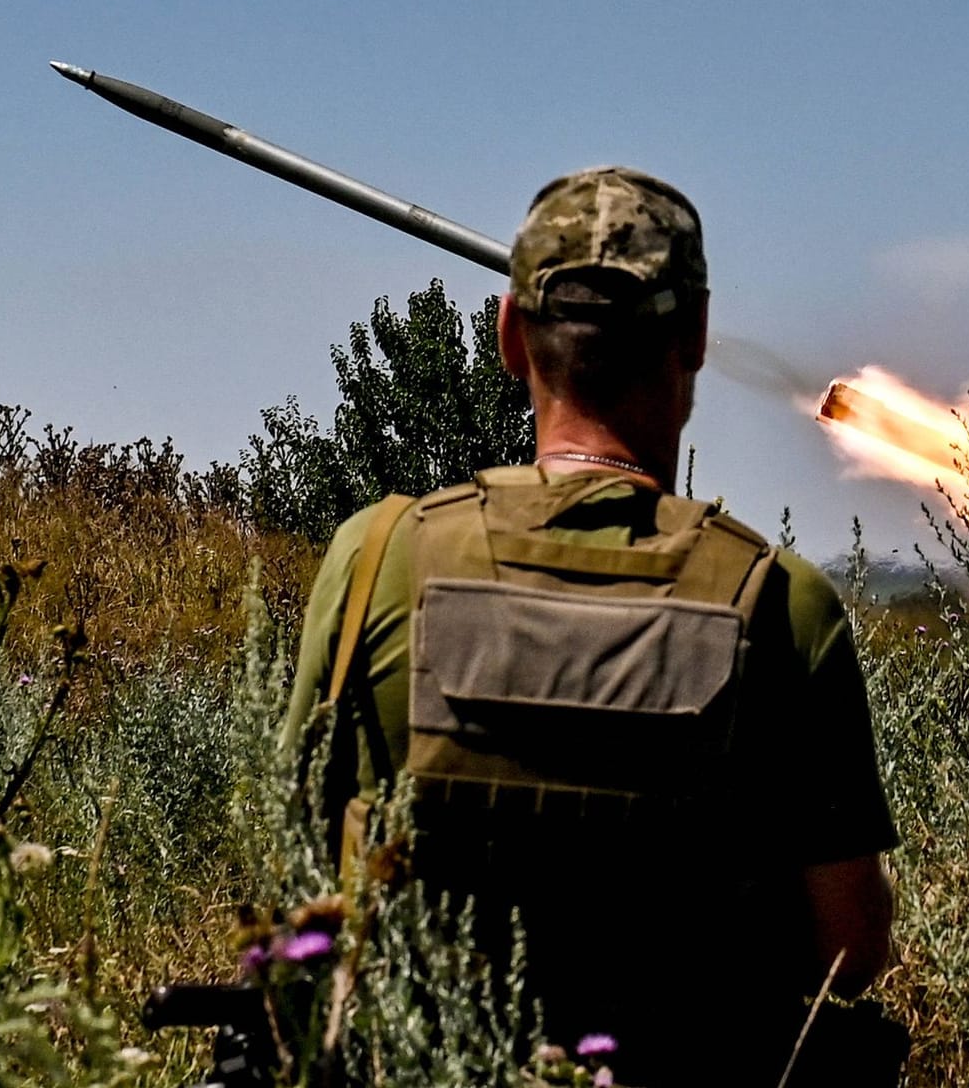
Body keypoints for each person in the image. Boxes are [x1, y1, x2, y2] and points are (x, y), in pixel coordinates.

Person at [283, 167, 898, 1085]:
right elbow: (849, 952)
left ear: (507, 335)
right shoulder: (782, 605)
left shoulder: (377, 560)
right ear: (693, 337)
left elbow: (302, 847)